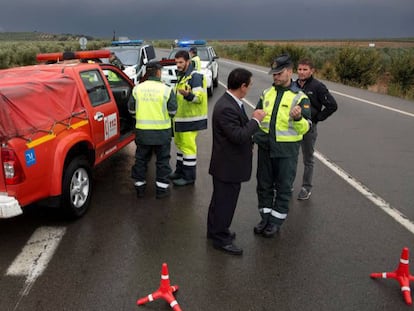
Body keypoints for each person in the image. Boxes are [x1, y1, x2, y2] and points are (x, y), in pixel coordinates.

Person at [207, 68, 266, 255]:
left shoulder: (232, 103)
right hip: (227, 166)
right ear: (242, 86)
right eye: (249, 85)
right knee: (225, 203)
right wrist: (255, 121)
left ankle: (215, 230)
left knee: (219, 200)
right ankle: (220, 238)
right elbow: (238, 135)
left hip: (226, 164)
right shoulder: (226, 107)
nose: (249, 89)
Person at [253, 54, 311, 237]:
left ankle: (276, 222)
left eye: (279, 73)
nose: (275, 77)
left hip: (286, 152)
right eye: (274, 74)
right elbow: (257, 117)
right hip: (265, 149)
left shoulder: (300, 98)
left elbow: (306, 127)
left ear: (289, 72)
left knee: (284, 187)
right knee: (263, 185)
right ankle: (265, 218)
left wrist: (298, 118)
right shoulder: (266, 93)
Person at [130, 61, 177, 199]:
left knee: (141, 160)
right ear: (158, 72)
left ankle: (140, 189)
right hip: (162, 133)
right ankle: (161, 190)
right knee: (162, 161)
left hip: (143, 132)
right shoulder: (166, 89)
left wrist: (140, 116)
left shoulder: (137, 89)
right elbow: (173, 110)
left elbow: (131, 109)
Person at [295, 58, 338, 200]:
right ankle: (287, 184)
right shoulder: (293, 85)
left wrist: (317, 118)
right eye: (299, 69)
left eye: (305, 69)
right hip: (293, 127)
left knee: (308, 159)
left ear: (312, 71)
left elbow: (332, 105)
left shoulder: (318, 86)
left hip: (308, 128)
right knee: (290, 157)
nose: (301, 72)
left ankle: (306, 187)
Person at [169, 50, 208, 186]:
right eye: (176, 62)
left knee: (188, 148)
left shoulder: (195, 77)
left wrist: (187, 95)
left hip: (190, 120)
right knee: (180, 146)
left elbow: (199, 98)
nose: (178, 65)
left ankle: (189, 177)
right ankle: (179, 171)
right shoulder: (182, 76)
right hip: (180, 118)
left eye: (180, 62)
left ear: (188, 62)